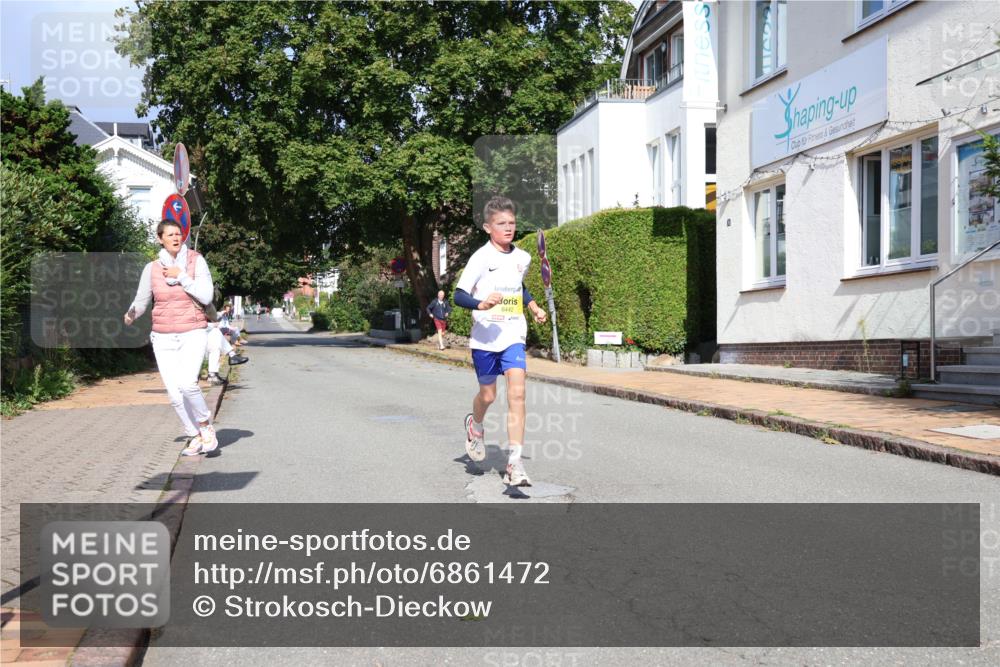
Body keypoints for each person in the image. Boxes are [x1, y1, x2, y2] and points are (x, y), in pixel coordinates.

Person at [453, 196, 547, 487]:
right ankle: (475, 425)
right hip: (484, 338)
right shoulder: (481, 257)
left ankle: (515, 464)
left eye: (512, 223)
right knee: (488, 396)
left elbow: (519, 286)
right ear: (487, 227)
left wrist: (532, 306)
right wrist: (480, 304)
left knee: (517, 394)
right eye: (501, 223)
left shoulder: (523, 258)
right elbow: (459, 295)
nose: (508, 228)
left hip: (512, 336)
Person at [124, 219, 219, 456]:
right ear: (160, 239)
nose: (176, 238)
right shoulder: (152, 268)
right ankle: (194, 435)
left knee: (188, 384)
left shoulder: (196, 261)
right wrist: (131, 314)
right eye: (170, 235)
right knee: (175, 395)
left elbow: (206, 296)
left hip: (192, 331)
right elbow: (142, 300)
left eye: (179, 234)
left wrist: (182, 276)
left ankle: (206, 426)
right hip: (163, 336)